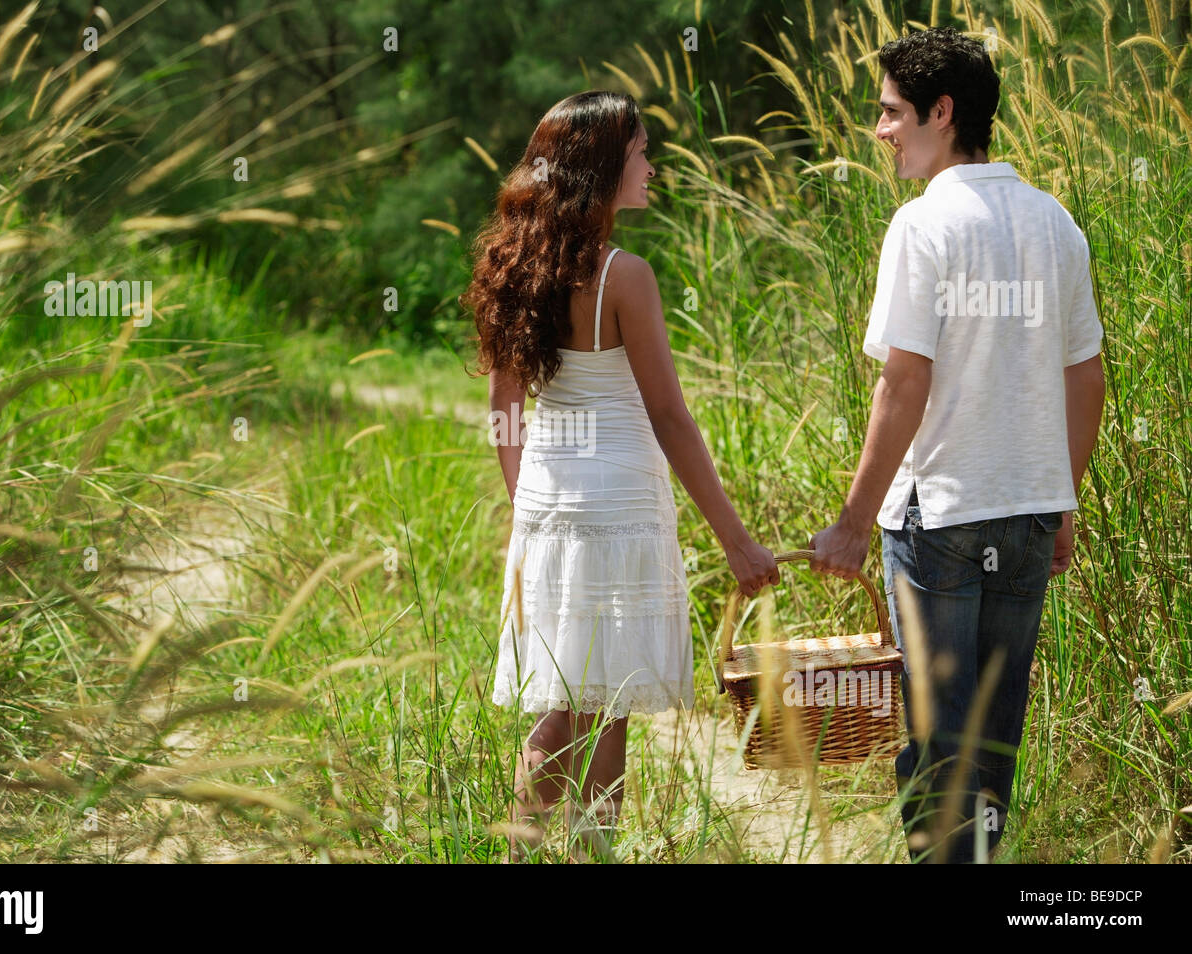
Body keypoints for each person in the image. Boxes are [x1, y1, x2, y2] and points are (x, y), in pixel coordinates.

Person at [806, 27, 1105, 863]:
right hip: (1026, 519)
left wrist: (854, 522)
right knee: (993, 749)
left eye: (892, 112)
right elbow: (1088, 381)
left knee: (941, 751)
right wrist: (1060, 498)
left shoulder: (922, 225)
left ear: (943, 112)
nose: (881, 130)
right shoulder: (1056, 223)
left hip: (939, 520)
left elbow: (904, 385)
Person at [461, 90, 780, 861]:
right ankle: (590, 856)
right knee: (598, 712)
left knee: (564, 705)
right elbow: (670, 418)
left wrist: (529, 504)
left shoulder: (514, 265)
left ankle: (523, 853)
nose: (651, 166)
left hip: (550, 506)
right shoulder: (622, 277)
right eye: (640, 153)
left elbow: (504, 407)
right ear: (602, 168)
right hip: (620, 510)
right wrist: (735, 539)